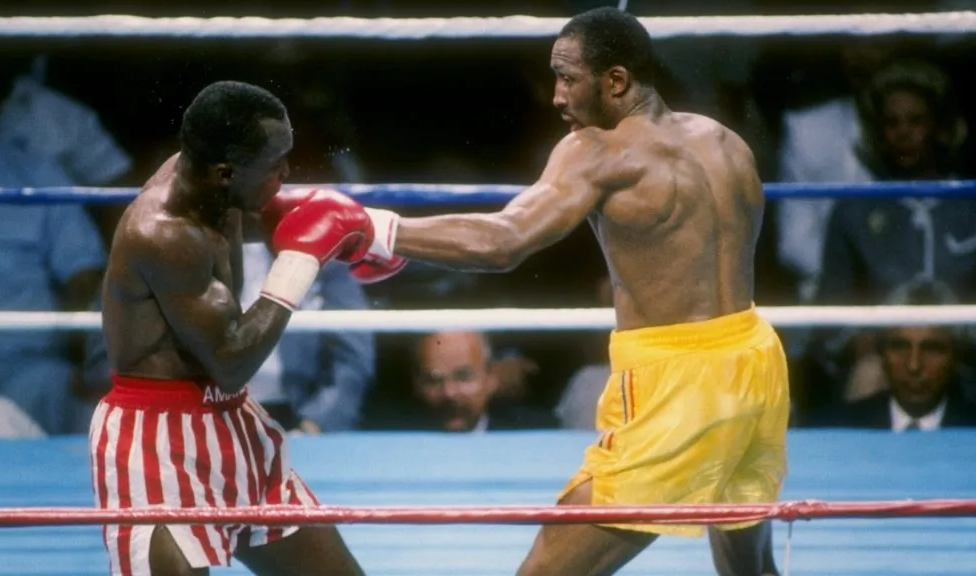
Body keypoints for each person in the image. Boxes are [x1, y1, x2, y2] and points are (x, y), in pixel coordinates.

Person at [298, 7, 787, 575]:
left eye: (567, 77)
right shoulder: (724, 141)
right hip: (755, 363)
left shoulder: (599, 152)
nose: (556, 96)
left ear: (617, 81)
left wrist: (378, 229)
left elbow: (504, 241)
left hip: (676, 384)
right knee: (750, 571)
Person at [91, 80, 395, 575]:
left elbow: (255, 216)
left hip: (234, 425)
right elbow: (231, 361)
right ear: (225, 172)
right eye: (275, 165)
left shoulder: (211, 185)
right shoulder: (163, 234)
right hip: (158, 448)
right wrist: (300, 262)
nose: (287, 173)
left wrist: (362, 231)